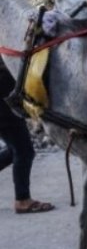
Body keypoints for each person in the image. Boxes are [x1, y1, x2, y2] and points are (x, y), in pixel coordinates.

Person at [0, 65, 54, 214]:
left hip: (6, 96)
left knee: (14, 150)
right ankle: (23, 201)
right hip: (3, 100)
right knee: (24, 152)